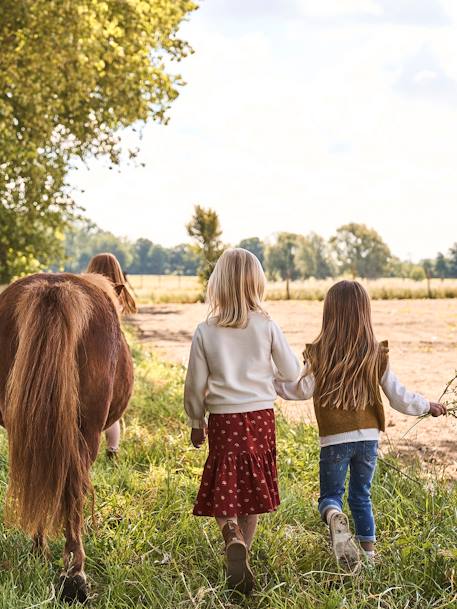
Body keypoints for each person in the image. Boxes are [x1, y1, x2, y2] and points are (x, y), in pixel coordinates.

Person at [275, 280, 446, 568]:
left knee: (331, 496)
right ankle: (368, 557)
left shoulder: (319, 353)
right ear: (364, 312)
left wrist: (269, 384)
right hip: (367, 439)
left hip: (333, 440)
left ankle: (333, 517)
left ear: (329, 314)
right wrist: (427, 406)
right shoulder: (375, 353)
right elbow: (399, 396)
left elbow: (300, 390)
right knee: (361, 495)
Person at [184, 248, 300, 594]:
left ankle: (229, 532)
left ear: (217, 284)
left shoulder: (205, 331)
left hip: (223, 420)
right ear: (257, 284)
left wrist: (195, 420)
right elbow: (292, 372)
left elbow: (195, 384)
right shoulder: (266, 326)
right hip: (260, 417)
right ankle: (243, 551)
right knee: (252, 490)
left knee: (225, 482)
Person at [86, 253, 137, 458]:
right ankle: (112, 449)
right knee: (110, 406)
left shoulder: (89, 290)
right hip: (114, 351)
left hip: (91, 346)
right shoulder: (118, 292)